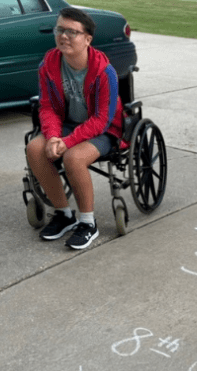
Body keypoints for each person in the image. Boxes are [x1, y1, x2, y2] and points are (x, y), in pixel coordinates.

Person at [26, 7, 124, 250]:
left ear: (87, 39)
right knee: (34, 148)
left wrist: (66, 143)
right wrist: (52, 137)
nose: (64, 36)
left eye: (72, 32)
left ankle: (88, 223)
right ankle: (64, 214)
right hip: (66, 125)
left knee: (73, 158)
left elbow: (102, 119)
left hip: (103, 129)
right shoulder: (48, 65)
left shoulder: (104, 72)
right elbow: (47, 107)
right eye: (60, 29)